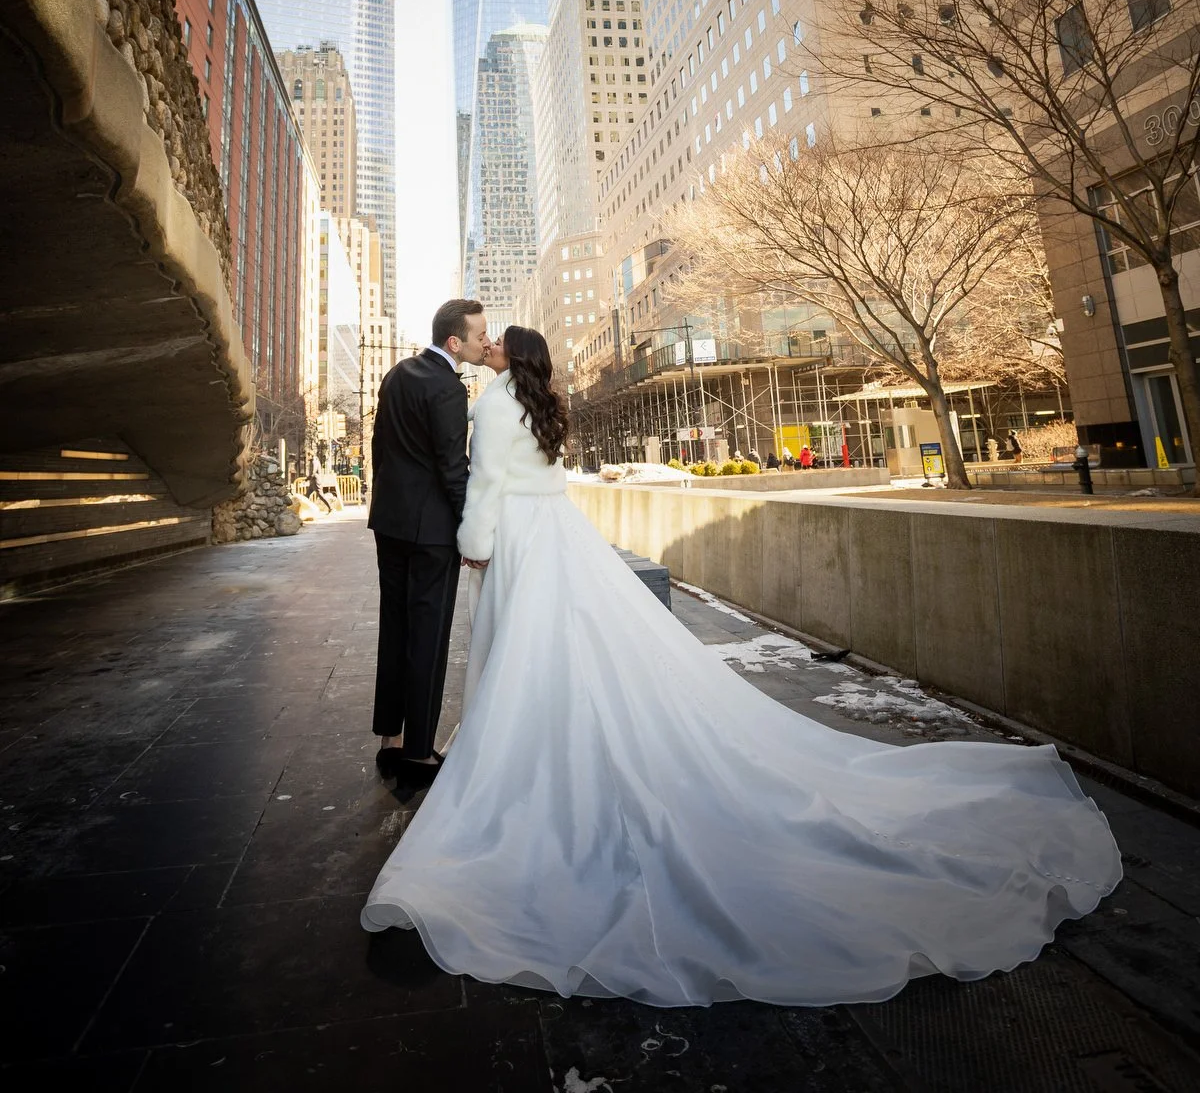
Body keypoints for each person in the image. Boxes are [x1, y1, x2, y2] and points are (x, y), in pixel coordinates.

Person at [361, 323, 1120, 1008]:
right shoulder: (545, 402)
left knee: (529, 646)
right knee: (574, 643)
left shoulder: (494, 401)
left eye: (497, 343)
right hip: (559, 527)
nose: (487, 345)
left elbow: (489, 482)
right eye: (483, 338)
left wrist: (477, 540)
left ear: (509, 357)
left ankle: (531, 753)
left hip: (523, 534)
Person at [367, 297, 490, 788]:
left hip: (390, 525)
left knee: (394, 630)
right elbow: (452, 471)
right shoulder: (447, 389)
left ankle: (390, 741)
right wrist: (471, 529)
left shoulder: (397, 373)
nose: (486, 342)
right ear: (454, 342)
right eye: (480, 334)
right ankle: (418, 753)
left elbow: (380, 448)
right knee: (428, 638)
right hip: (431, 535)